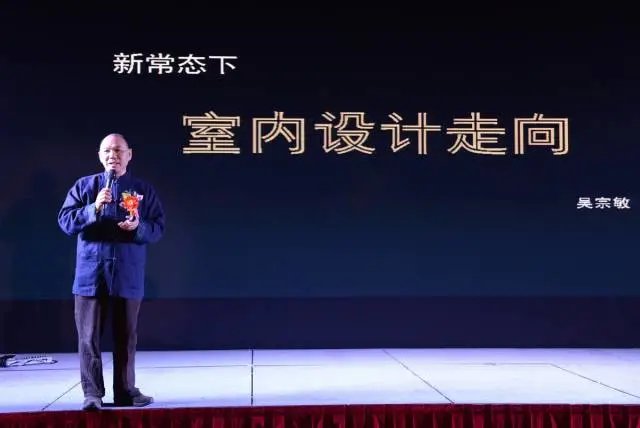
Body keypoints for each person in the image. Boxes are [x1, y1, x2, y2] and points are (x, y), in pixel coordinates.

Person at [57, 133, 165, 411]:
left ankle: (126, 391)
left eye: (118, 150)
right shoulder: (85, 187)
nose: (112, 156)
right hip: (90, 275)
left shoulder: (141, 189)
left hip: (127, 274)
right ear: (99, 155)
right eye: (107, 151)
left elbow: (157, 228)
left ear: (129, 154)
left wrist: (138, 227)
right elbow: (66, 222)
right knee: (88, 338)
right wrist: (92, 208)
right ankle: (92, 394)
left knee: (126, 337)